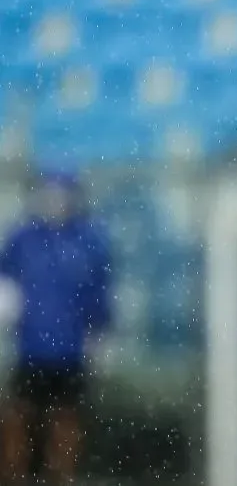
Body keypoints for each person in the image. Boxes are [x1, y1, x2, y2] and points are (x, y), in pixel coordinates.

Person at [0, 170, 113, 486]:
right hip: (31, 347)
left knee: (65, 416)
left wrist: (99, 335)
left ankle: (60, 477)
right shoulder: (23, 237)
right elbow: (6, 276)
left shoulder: (89, 241)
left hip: (70, 349)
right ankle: (14, 476)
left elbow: (99, 293)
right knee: (19, 413)